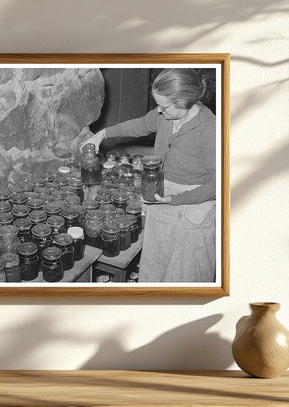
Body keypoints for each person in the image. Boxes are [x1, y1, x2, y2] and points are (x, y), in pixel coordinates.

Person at [81, 68, 216, 282]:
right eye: (158, 105)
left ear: (186, 100)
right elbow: (141, 125)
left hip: (194, 206)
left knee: (184, 274)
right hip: (163, 195)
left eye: (164, 106)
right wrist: (102, 134)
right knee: (156, 264)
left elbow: (219, 184)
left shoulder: (210, 131)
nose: (159, 111)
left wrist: (176, 199)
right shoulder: (165, 117)